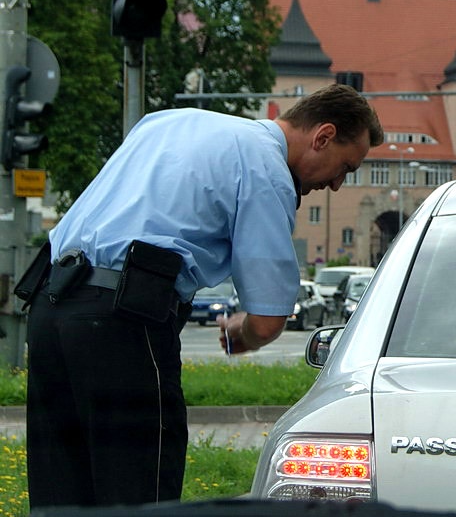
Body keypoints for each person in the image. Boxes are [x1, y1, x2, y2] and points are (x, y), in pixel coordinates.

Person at [23, 83, 382, 508]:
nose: (337, 186)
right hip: (122, 323)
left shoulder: (168, 121)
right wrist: (240, 334)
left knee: (60, 492)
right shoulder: (265, 169)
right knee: (140, 491)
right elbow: (267, 322)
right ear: (322, 136)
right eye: (345, 168)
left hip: (50, 304)